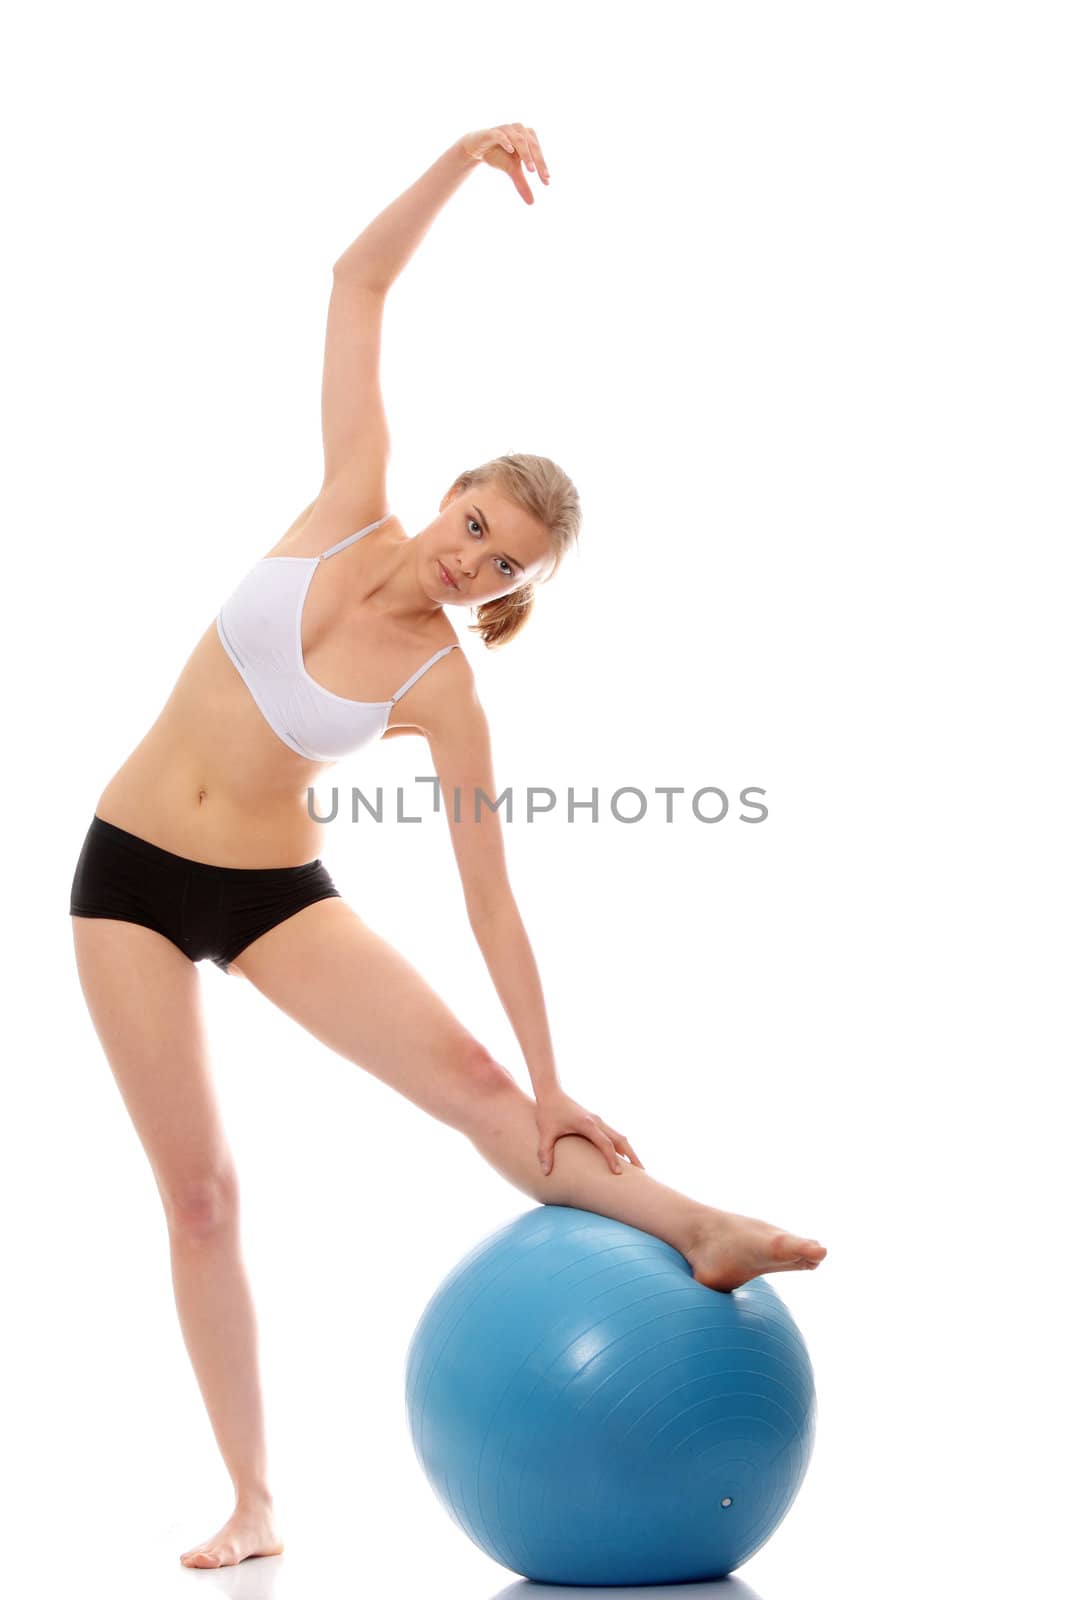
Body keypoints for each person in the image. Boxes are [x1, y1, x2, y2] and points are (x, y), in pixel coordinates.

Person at [68, 124, 828, 1571]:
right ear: (451, 492)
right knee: (203, 1195)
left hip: (271, 891)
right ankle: (254, 1502)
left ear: (509, 592)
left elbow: (494, 901)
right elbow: (355, 284)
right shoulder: (349, 499)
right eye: (475, 523)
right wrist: (462, 160)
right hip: (125, 873)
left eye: (501, 567)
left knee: (484, 1095)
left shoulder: (446, 694)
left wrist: (551, 1082)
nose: (466, 560)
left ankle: (701, 1223)